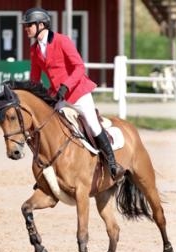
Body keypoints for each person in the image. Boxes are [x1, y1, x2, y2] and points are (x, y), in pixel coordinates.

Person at [22, 7, 120, 179]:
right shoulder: (34, 50)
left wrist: (66, 86)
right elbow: (35, 80)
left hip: (77, 92)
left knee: (92, 124)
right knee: (48, 125)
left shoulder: (62, 40)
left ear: (41, 25)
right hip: (58, 96)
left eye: (29, 25)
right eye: (26, 25)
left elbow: (79, 67)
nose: (26, 28)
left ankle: (112, 163)